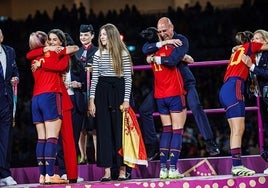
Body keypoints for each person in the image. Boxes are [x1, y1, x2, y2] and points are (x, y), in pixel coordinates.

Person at [141, 17, 220, 159]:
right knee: (144, 110)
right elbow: (145, 48)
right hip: (164, 87)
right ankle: (152, 146)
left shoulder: (181, 39)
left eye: (165, 31)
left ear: (172, 28)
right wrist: (166, 43)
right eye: (160, 31)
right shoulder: (160, 40)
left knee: (195, 106)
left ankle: (209, 141)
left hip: (185, 82)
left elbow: (172, 61)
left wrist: (155, 58)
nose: (162, 33)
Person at [27, 29, 79, 183]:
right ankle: (50, 175)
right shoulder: (53, 54)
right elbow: (61, 64)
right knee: (52, 138)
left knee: (42, 139)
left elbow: (73, 49)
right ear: (46, 42)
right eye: (49, 40)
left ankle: (43, 175)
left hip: (36, 98)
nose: (52, 42)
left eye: (55, 39)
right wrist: (56, 52)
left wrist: (43, 59)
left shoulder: (35, 58)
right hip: (52, 96)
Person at [219, 30, 268, 176]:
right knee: (238, 129)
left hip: (226, 88)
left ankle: (237, 165)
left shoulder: (238, 50)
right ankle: (237, 165)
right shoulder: (250, 47)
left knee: (235, 130)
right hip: (235, 87)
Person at [88, 23, 133, 182]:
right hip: (102, 92)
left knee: (120, 131)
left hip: (119, 92)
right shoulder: (98, 54)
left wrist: (126, 99)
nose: (101, 37)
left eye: (104, 34)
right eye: (100, 35)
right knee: (104, 132)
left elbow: (128, 78)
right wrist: (91, 100)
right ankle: (107, 172)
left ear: (112, 35)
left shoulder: (123, 53)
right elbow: (94, 80)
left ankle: (122, 170)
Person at [144, 27, 188, 179]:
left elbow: (146, 49)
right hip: (174, 93)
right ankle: (173, 168)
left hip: (160, 96)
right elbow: (180, 59)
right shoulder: (171, 48)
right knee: (177, 130)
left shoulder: (150, 53)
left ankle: (163, 168)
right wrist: (185, 57)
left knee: (167, 130)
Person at [242, 29, 268, 174]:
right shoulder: (253, 55)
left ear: (265, 41)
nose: (255, 41)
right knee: (266, 129)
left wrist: (251, 67)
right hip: (262, 96)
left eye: (259, 38)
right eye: (254, 39)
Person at [75, 24, 98, 164]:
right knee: (81, 127)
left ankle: (97, 155)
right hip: (79, 93)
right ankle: (83, 157)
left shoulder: (98, 51)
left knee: (95, 126)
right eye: (81, 35)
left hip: (93, 93)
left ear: (92, 36)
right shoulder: (76, 53)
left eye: (86, 35)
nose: (83, 37)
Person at [0, 28, 19, 186]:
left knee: (6, 138)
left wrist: (15, 78)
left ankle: (5, 173)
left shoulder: (10, 51)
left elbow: (15, 70)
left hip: (6, 100)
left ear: (1, 37)